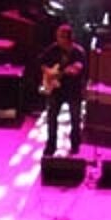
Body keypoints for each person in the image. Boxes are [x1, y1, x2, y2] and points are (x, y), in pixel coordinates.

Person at [38, 23, 86, 157]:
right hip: (56, 89)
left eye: (62, 37)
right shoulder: (53, 49)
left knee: (75, 118)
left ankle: (75, 144)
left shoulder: (78, 52)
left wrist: (70, 71)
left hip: (73, 89)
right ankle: (51, 145)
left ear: (69, 38)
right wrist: (48, 72)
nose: (59, 39)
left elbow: (77, 69)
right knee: (52, 117)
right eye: (58, 36)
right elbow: (41, 62)